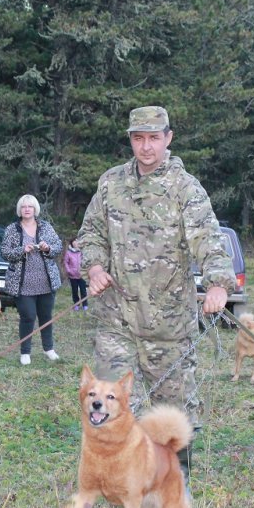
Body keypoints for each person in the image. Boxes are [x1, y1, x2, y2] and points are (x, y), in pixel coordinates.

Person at [78, 106, 235, 483]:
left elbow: (210, 240)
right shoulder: (110, 183)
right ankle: (112, 477)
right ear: (131, 139)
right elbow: (91, 235)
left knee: (173, 408)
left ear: (168, 138)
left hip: (168, 322)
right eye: (138, 138)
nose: (146, 147)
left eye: (153, 138)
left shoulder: (185, 188)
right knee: (106, 400)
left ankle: (175, 480)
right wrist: (95, 268)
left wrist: (217, 283)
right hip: (116, 317)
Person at [1, 195, 63, 365]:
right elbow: (5, 252)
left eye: (30, 206)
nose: (27, 209)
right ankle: (25, 352)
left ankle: (48, 349)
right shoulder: (12, 229)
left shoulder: (46, 227)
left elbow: (58, 246)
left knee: (46, 317)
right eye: (23, 206)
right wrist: (22, 249)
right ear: (19, 210)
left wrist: (48, 247)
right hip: (22, 284)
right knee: (28, 316)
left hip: (46, 282)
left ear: (35, 209)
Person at [63, 237, 88, 311]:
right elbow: (66, 262)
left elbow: (86, 261)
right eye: (74, 241)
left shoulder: (82, 251)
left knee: (83, 290)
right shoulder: (68, 252)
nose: (76, 243)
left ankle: (85, 305)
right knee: (75, 291)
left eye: (77, 241)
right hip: (72, 276)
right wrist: (69, 271)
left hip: (82, 275)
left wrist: (85, 270)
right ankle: (76, 305)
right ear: (72, 243)